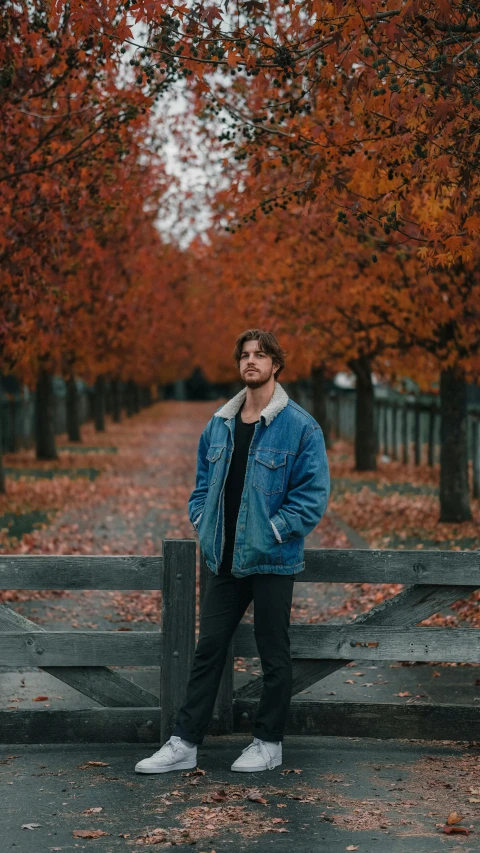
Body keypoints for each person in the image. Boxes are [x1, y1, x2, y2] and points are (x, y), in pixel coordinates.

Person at [135, 329, 330, 774]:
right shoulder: (219, 423)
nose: (251, 362)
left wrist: (274, 532)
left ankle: (268, 742)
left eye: (261, 355)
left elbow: (312, 495)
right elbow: (202, 484)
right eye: (245, 355)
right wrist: (202, 520)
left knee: (273, 652)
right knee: (209, 649)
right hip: (224, 557)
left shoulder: (300, 426)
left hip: (272, 558)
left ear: (276, 364)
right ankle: (184, 743)